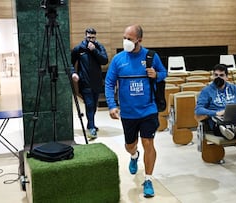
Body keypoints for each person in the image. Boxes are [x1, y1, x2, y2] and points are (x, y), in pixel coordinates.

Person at [105, 25, 167, 198]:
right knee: (129, 145)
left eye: (129, 39)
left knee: (148, 142)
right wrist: (111, 105)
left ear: (139, 40)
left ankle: (148, 179)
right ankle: (134, 155)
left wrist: (157, 75)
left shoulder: (151, 57)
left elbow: (164, 73)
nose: (126, 41)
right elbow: (109, 83)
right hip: (128, 113)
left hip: (148, 109)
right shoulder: (118, 60)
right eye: (124, 37)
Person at [71, 27, 108, 140]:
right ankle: (91, 128)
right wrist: (73, 73)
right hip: (85, 82)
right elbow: (70, 62)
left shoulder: (99, 47)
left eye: (93, 37)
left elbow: (104, 60)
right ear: (85, 36)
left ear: (95, 37)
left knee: (94, 106)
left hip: (97, 82)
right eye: (89, 37)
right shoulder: (79, 48)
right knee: (89, 105)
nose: (91, 40)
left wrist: (94, 50)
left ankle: (90, 124)